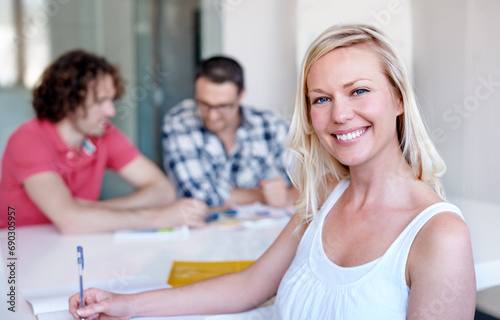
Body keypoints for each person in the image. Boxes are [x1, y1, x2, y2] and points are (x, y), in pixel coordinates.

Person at [69, 24, 476, 319]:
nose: (339, 114)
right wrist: (126, 304)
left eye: (359, 91)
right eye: (321, 99)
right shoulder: (324, 195)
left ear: (399, 99)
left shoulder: (439, 235)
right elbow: (249, 286)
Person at [0, 50, 208, 234]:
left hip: (74, 247)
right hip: (19, 254)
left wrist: (93, 209)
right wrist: (158, 218)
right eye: (100, 102)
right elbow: (70, 221)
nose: (111, 111)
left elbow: (162, 190)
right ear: (68, 101)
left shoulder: (103, 133)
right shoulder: (28, 140)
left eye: (111, 100)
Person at [162, 56, 298, 210]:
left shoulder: (271, 124)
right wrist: (263, 195)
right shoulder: (180, 121)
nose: (212, 116)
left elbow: (314, 181)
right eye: (204, 104)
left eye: (223, 106)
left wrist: (287, 195)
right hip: (203, 231)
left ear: (241, 95)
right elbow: (197, 196)